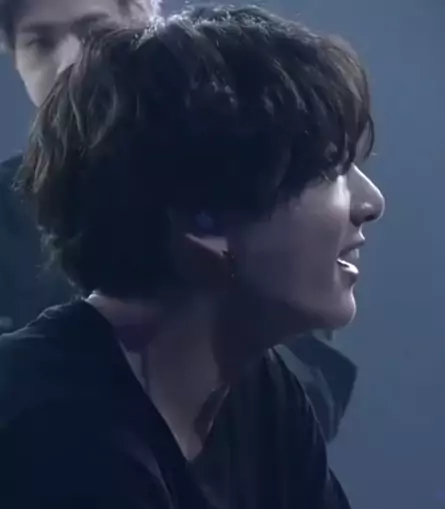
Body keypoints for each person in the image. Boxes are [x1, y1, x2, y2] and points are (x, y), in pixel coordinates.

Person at [0, 7, 411, 509]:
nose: (371, 203)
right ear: (204, 219)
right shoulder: (49, 434)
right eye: (330, 169)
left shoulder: (260, 389)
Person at [0, 0, 356, 442]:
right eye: (40, 43)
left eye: (95, 33)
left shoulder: (257, 175)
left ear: (151, 21)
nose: (69, 62)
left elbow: (310, 387)